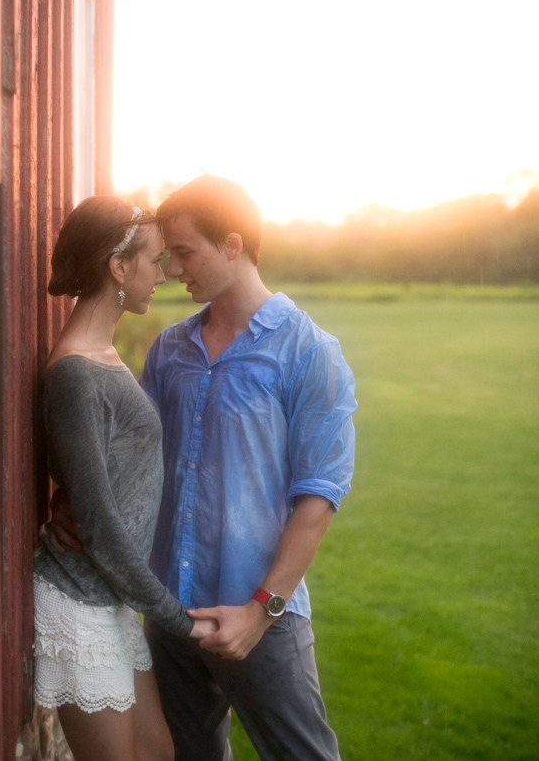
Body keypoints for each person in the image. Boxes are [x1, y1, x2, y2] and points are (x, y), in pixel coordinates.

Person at [50, 177, 357, 761]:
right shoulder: (170, 350)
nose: (172, 269)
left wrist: (261, 611)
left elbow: (318, 496)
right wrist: (68, 502)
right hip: (171, 614)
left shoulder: (309, 352)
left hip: (259, 617)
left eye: (185, 253)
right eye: (166, 255)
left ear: (233, 245)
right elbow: (124, 455)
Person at [33, 195, 216, 761]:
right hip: (79, 601)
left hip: (110, 601)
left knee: (160, 754)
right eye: (155, 261)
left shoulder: (102, 355)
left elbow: (95, 480)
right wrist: (176, 621)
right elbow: (100, 523)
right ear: (117, 266)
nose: (164, 274)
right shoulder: (76, 374)